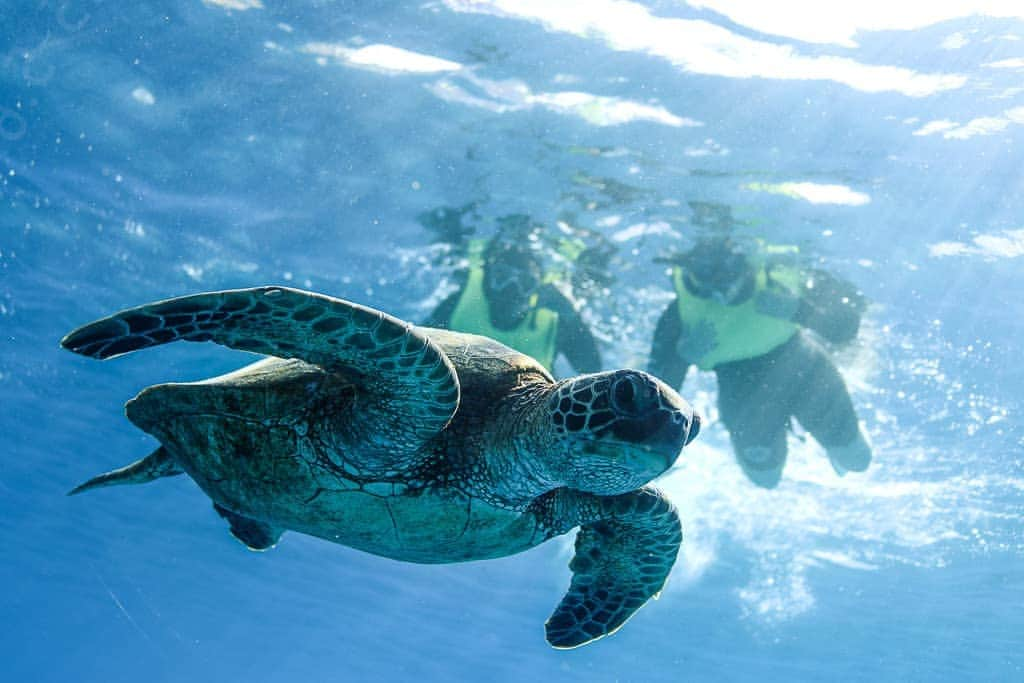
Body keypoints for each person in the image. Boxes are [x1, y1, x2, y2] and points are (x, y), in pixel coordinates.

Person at [648, 225, 872, 488]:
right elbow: (656, 389)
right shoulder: (680, 313)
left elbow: (846, 328)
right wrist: (682, 354)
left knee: (858, 459)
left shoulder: (777, 275)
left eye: (726, 278)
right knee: (765, 478)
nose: (719, 292)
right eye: (704, 280)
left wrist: (799, 310)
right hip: (742, 391)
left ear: (745, 265)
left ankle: (838, 445)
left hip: (805, 369)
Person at [423, 213, 602, 375]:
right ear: (488, 278)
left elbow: (590, 367)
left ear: (537, 289)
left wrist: (571, 316)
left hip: (531, 406)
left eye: (526, 283)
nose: (512, 289)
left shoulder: (555, 320)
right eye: (502, 276)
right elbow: (420, 349)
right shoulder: (460, 302)